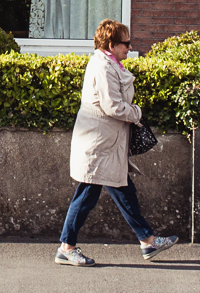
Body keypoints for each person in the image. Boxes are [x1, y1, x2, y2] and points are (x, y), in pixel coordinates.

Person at [56, 20, 178, 267]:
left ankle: (148, 241)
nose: (130, 47)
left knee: (124, 192)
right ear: (111, 45)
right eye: (126, 43)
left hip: (107, 145)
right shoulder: (103, 67)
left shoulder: (110, 64)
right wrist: (136, 113)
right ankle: (66, 248)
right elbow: (112, 106)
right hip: (99, 146)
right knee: (86, 197)